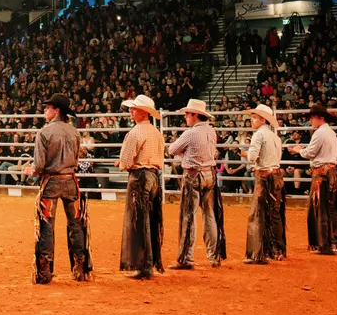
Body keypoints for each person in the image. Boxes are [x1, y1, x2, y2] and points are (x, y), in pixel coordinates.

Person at [22, 94, 92, 285]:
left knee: (47, 225)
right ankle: (80, 268)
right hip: (70, 181)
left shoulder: (44, 133)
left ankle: (44, 271)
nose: (45, 111)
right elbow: (77, 160)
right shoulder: (74, 132)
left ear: (56, 110)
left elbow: (39, 165)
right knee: (75, 224)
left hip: (51, 182)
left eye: (48, 108)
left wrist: (31, 171)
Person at [167, 98, 225, 269]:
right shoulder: (211, 131)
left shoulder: (191, 133)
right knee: (210, 215)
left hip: (193, 175)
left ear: (195, 115)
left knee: (189, 217)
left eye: (188, 114)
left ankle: (186, 258)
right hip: (210, 174)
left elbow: (172, 150)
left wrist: (183, 156)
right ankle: (214, 256)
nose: (186, 116)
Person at [116, 94, 164, 280]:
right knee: (151, 220)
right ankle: (150, 262)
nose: (131, 111)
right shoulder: (156, 133)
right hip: (153, 176)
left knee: (137, 221)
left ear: (143, 112)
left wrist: (120, 164)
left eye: (134, 109)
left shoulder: (135, 133)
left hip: (139, 177)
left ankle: (142, 265)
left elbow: (127, 161)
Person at [291, 103, 337, 255]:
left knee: (320, 208)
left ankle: (325, 244)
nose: (310, 121)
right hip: (332, 172)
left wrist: (299, 150)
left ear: (319, 118)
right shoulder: (330, 133)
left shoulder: (319, 133)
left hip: (322, 175)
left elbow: (310, 153)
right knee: (333, 208)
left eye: (312, 118)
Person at [239, 103, 286, 264]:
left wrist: (246, 155)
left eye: (254, 117)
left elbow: (252, 157)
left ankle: (258, 253)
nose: (252, 120)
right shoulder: (275, 137)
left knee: (257, 214)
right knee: (275, 214)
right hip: (276, 175)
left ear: (262, 119)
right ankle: (277, 250)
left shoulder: (258, 135)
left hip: (265, 178)